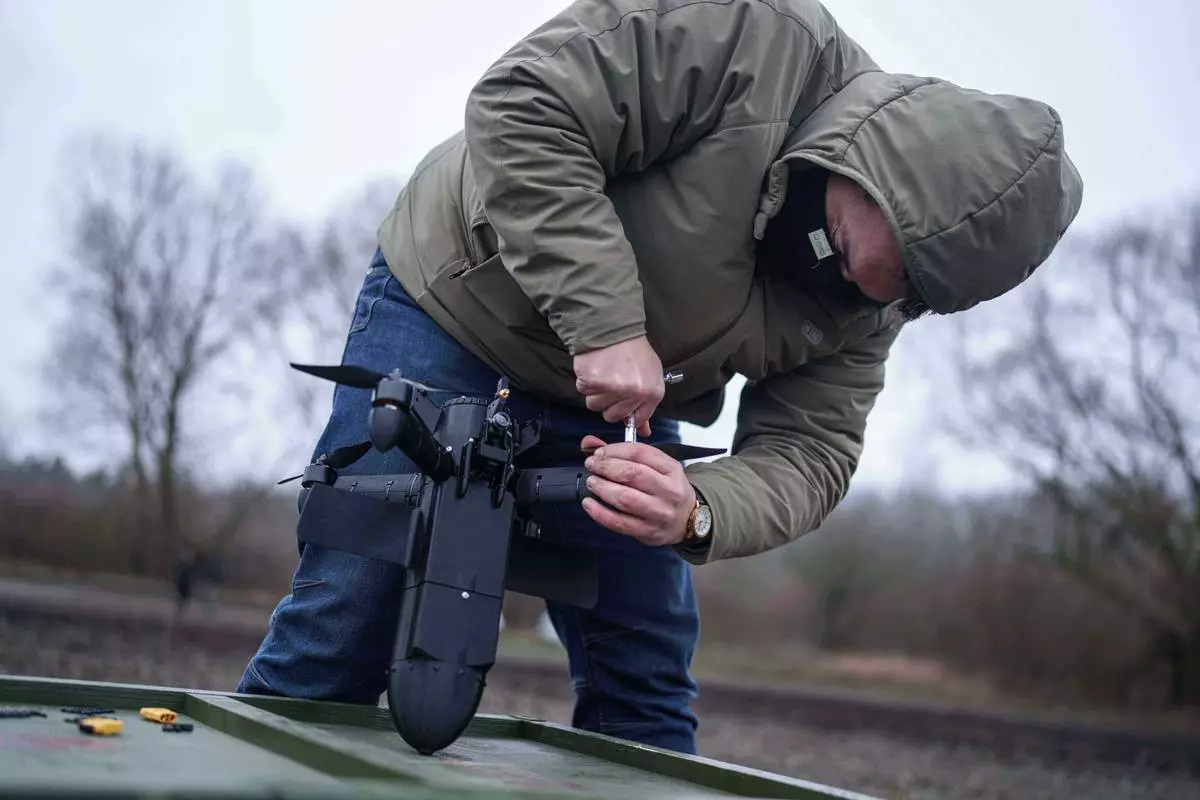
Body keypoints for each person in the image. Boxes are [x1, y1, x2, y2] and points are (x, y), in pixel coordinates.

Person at [237, 0, 1083, 755]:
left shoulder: (881, 304)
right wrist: (606, 323)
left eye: (921, 294)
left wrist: (697, 508)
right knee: (346, 620)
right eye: (904, 266)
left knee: (645, 690)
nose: (889, 297)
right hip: (459, 311)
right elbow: (523, 106)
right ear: (894, 183)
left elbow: (813, 450)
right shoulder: (753, 35)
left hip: (624, 413)